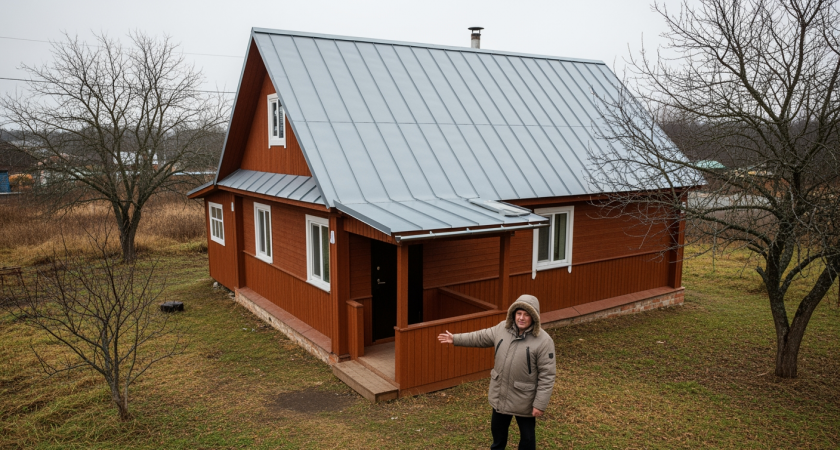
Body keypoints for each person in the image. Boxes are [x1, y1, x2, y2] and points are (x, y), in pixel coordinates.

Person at [438, 294, 556, 450]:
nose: (521, 318)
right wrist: (456, 339)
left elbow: (547, 376)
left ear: (534, 318)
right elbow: (479, 337)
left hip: (525, 400)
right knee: (498, 435)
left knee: (527, 439)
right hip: (501, 394)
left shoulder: (544, 341)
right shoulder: (502, 328)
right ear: (513, 314)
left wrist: (539, 404)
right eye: (519, 313)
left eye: (527, 315)